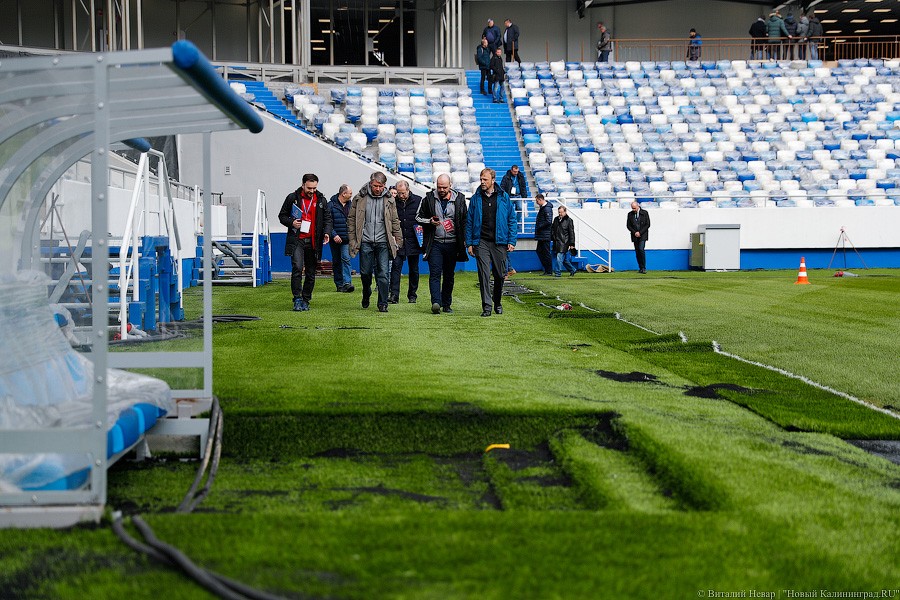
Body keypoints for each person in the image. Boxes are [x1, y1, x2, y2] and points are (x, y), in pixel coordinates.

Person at [347, 172, 403, 313]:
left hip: (383, 241)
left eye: (380, 186)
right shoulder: (360, 198)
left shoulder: (390, 199)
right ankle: (366, 292)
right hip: (365, 241)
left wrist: (398, 238)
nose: (377, 189)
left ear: (384, 185)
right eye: (375, 186)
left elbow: (395, 220)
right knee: (365, 273)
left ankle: (383, 303)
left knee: (383, 273)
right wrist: (353, 240)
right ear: (370, 183)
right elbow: (351, 220)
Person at [466, 168, 517, 317]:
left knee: (500, 275)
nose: (482, 182)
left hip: (499, 241)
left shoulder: (504, 197)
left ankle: (497, 301)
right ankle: (487, 307)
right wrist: (469, 243)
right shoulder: (476, 198)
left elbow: (512, 219)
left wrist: (511, 240)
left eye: (485, 180)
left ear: (493, 180)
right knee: (484, 274)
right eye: (481, 179)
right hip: (481, 241)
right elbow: (469, 221)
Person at [278, 173, 332, 312]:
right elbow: (282, 216)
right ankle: (297, 298)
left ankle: (306, 299)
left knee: (311, 272)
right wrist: (292, 222)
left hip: (314, 241)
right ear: (303, 185)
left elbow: (328, 219)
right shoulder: (293, 198)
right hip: (298, 240)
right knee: (297, 268)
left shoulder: (321, 200)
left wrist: (326, 232)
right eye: (309, 188)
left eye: (314, 188)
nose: (312, 191)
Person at [416, 173, 468, 314]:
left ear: (450, 185)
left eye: (444, 187)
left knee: (449, 275)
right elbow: (418, 217)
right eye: (439, 187)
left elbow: (464, 220)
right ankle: (436, 302)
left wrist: (464, 240)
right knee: (435, 273)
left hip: (452, 244)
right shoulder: (428, 198)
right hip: (435, 243)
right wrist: (430, 222)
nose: (442, 190)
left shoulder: (460, 199)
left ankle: (447, 304)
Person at [389, 180, 422, 304]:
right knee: (396, 267)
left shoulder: (418, 201)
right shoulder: (392, 202)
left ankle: (412, 295)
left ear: (408, 190)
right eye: (399, 193)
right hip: (398, 241)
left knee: (414, 269)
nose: (401, 195)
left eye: (403, 193)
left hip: (413, 240)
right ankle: (394, 295)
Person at [328, 184, 354, 293]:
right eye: (350, 193)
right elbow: (328, 222)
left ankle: (347, 283)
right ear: (344, 194)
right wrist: (334, 235)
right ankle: (339, 284)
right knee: (337, 261)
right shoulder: (331, 205)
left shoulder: (352, 205)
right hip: (335, 239)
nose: (351, 195)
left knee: (346, 258)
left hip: (346, 239)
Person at [551, 205, 576, 277]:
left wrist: (572, 244)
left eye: (561, 212)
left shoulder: (569, 220)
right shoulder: (556, 219)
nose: (560, 214)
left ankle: (557, 273)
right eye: (559, 212)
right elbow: (553, 229)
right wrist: (553, 237)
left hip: (564, 242)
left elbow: (571, 233)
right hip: (557, 242)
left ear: (565, 212)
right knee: (564, 260)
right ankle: (572, 270)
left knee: (559, 258)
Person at [626, 200, 650, 274]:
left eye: (634, 208)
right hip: (634, 235)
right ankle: (640, 267)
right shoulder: (630, 214)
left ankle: (643, 267)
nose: (633, 210)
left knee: (641, 249)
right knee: (637, 251)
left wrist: (640, 232)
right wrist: (635, 232)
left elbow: (647, 224)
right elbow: (628, 225)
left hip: (643, 235)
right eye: (632, 208)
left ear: (638, 206)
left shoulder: (645, 213)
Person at [534, 194, 554, 275]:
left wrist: (539, 226)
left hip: (545, 235)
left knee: (545, 252)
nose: (537, 202)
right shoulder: (544, 208)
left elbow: (548, 221)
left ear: (540, 199)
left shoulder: (547, 209)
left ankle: (548, 270)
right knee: (540, 251)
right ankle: (547, 269)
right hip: (543, 234)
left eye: (537, 201)